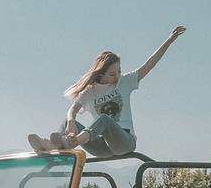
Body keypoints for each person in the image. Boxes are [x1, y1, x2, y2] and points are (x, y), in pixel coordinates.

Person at [28, 26, 187, 158]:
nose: (117, 76)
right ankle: (50, 146)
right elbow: (73, 109)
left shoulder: (124, 82)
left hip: (124, 142)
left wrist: (168, 41)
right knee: (66, 121)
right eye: (112, 74)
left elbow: (149, 64)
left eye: (119, 71)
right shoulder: (90, 91)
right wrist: (71, 121)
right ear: (101, 74)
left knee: (104, 119)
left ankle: (73, 141)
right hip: (102, 147)